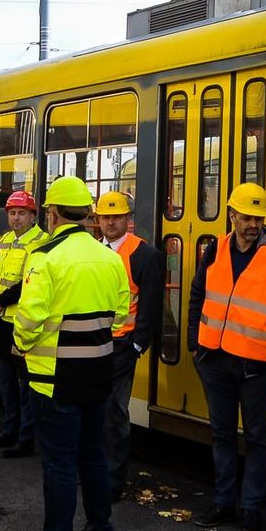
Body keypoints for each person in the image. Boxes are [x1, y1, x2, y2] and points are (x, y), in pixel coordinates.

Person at [7, 176, 129, 531]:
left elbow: (29, 317)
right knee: (92, 455)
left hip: (54, 377)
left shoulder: (45, 257)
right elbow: (121, 316)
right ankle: (100, 530)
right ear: (87, 214)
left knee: (58, 464)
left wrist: (21, 343)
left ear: (53, 214)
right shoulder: (109, 257)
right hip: (98, 372)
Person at [187, 182, 266, 531]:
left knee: (256, 438)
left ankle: (250, 508)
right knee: (221, 434)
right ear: (232, 215)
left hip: (256, 365)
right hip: (215, 358)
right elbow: (198, 292)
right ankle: (223, 502)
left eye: (259, 218)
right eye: (247, 217)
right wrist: (195, 343)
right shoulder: (216, 248)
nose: (253, 224)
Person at [93, 190, 163, 499]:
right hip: (93, 343)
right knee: (94, 411)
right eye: (105, 217)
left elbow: (150, 305)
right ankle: (95, 472)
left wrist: (137, 345)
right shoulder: (94, 251)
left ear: (127, 219)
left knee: (114, 412)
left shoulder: (145, 255)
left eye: (116, 217)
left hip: (122, 345)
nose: (110, 223)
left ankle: (112, 482)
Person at [0, 191, 45, 457]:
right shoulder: (5, 241)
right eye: (12, 213)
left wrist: (0, 300)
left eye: (21, 213)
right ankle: (9, 430)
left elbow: (31, 282)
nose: (16, 218)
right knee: (5, 384)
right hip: (0, 323)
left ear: (33, 216)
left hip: (23, 325)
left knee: (25, 386)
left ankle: (25, 438)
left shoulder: (41, 243)